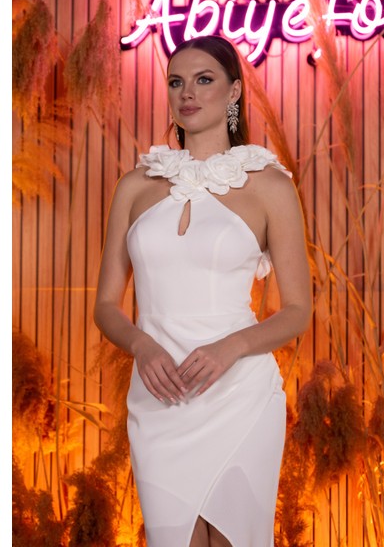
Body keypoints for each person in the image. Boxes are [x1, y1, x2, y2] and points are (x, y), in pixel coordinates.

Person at [94, 35, 312, 547]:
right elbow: (105, 305)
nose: (187, 93)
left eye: (204, 80)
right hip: (159, 396)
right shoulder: (135, 185)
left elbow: (298, 310)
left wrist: (231, 347)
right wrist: (142, 345)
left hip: (239, 393)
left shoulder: (270, 186)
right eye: (176, 82)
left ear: (234, 91)